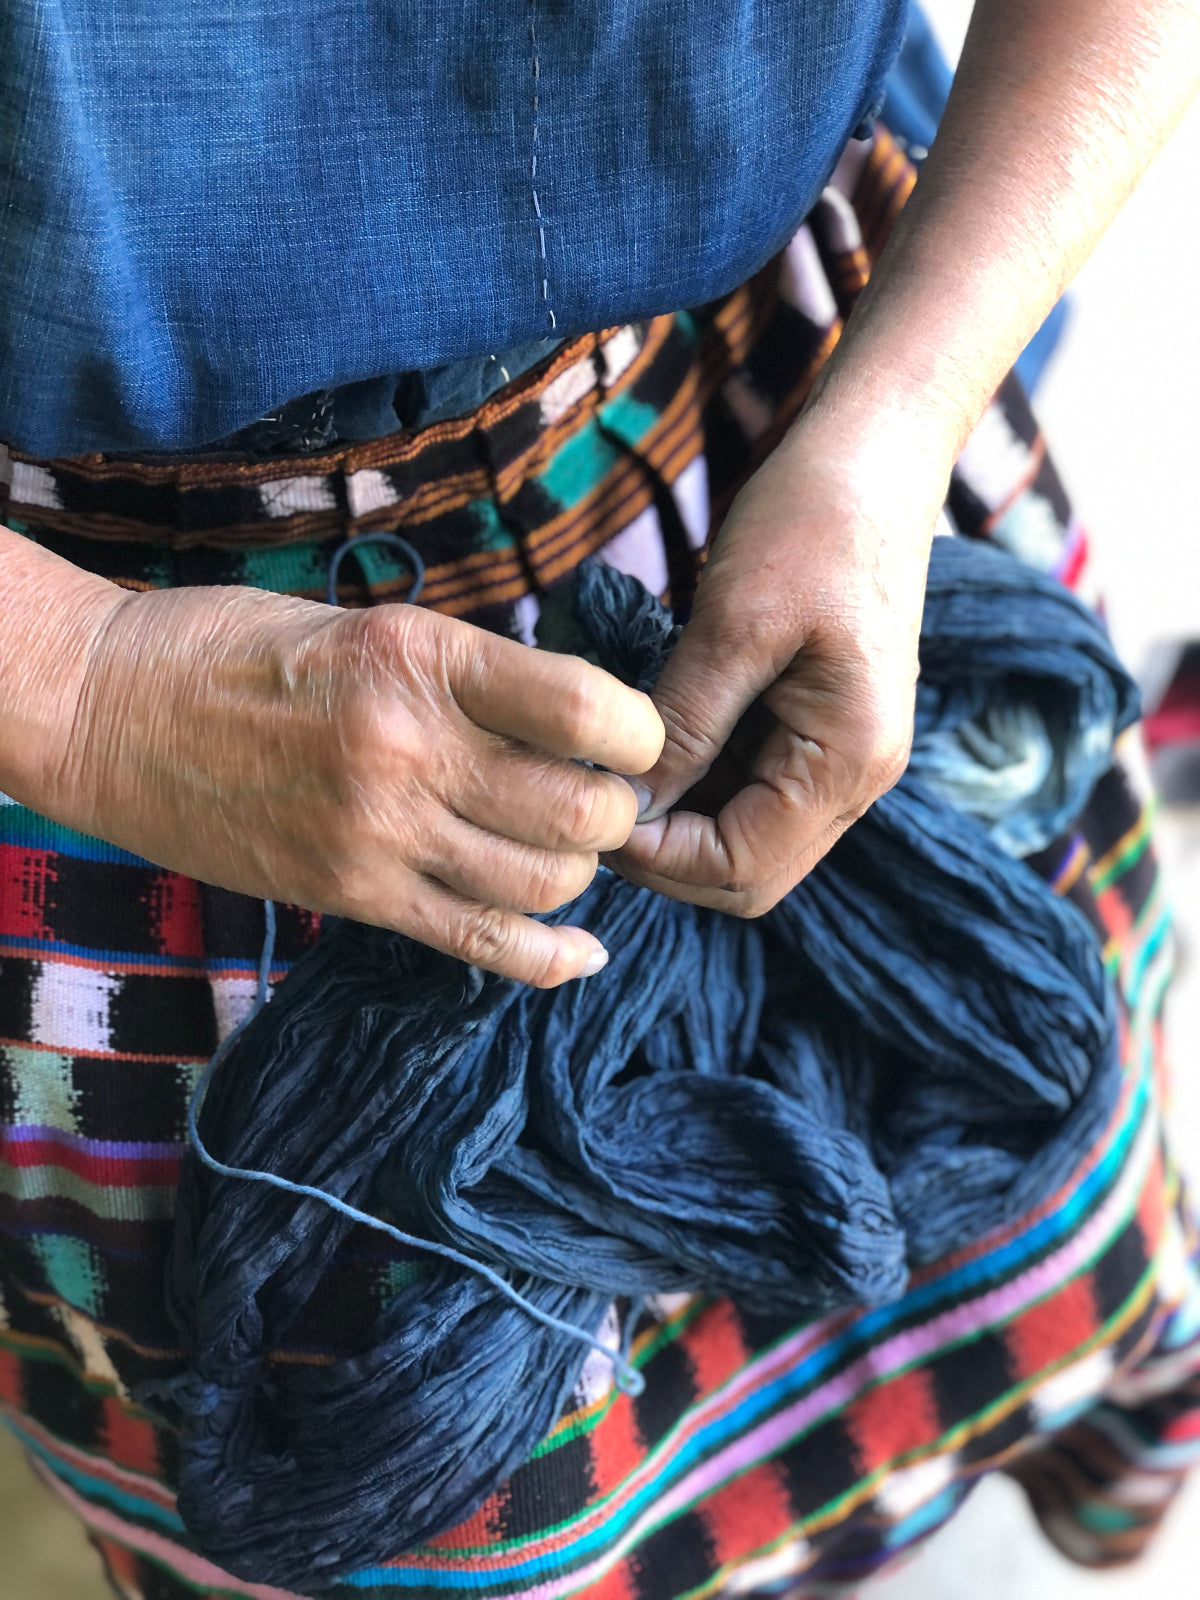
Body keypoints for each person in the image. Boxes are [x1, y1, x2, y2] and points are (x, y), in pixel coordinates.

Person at [0, 2, 1198, 1597]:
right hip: (133, 699)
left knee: (1055, 1223)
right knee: (428, 1509)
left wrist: (902, 420)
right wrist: (86, 684)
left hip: (810, 432)